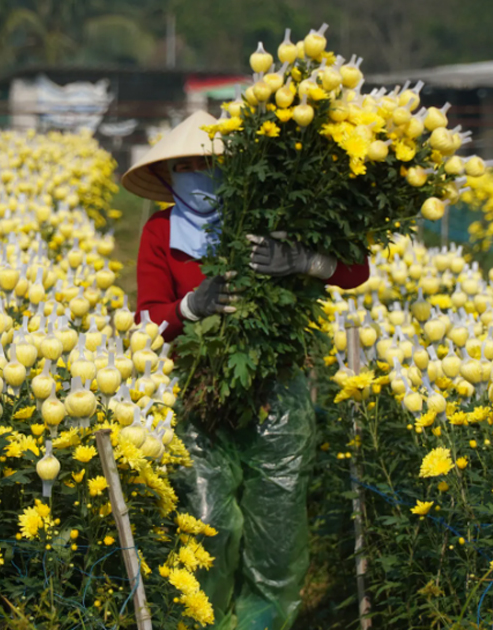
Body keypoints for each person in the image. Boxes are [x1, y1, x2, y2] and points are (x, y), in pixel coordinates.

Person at [122, 111, 370, 630]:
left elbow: (356, 270)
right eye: (186, 166)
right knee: (209, 519)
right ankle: (206, 620)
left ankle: (263, 623)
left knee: (275, 526)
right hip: (196, 393)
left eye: (209, 163)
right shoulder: (159, 231)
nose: (199, 173)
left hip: (277, 390)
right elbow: (147, 319)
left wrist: (301, 259)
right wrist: (191, 307)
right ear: (168, 178)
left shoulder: (270, 218)